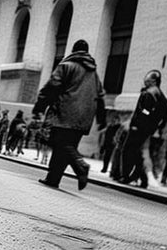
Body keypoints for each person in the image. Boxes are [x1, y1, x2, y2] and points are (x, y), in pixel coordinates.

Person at [32, 39, 109, 191]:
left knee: (60, 143)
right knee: (68, 146)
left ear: (73, 50)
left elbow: (52, 87)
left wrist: (39, 107)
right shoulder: (93, 72)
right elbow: (100, 96)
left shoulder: (66, 66)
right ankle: (53, 179)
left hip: (65, 113)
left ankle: (80, 165)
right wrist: (101, 118)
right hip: (84, 117)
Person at [119, 69, 167, 188]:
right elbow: (164, 118)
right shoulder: (164, 99)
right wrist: (155, 126)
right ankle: (141, 178)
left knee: (128, 151)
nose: (145, 81)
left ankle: (126, 176)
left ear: (153, 81)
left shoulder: (148, 93)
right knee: (140, 153)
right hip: (150, 131)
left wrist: (138, 123)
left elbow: (143, 111)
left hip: (138, 128)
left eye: (147, 79)